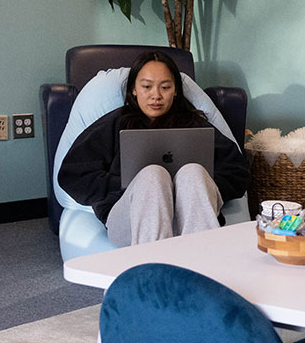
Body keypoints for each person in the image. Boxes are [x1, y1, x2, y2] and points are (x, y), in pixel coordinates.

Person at [58, 51, 250, 247]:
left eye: (165, 87)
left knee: (192, 172)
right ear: (134, 89)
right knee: (153, 175)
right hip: (132, 224)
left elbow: (238, 173)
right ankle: (154, 268)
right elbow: (72, 175)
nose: (156, 96)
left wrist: (194, 187)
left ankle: (202, 265)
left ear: (176, 90)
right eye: (146, 87)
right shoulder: (113, 124)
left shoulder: (196, 126)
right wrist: (125, 185)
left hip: (193, 222)